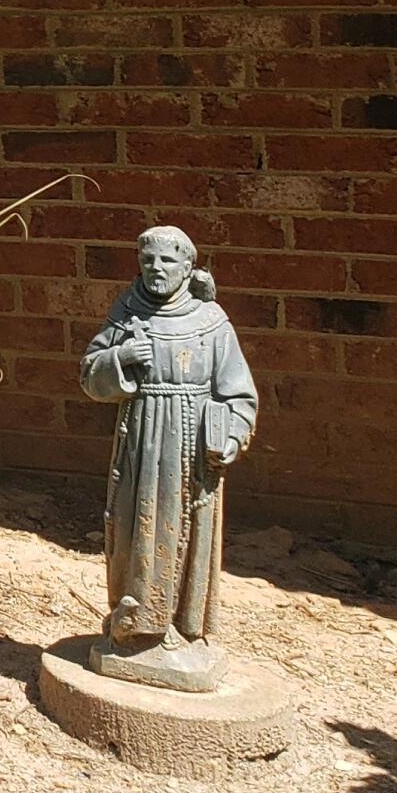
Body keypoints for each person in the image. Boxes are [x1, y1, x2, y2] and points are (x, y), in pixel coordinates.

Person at [79, 224, 257, 691]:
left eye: (168, 261)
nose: (156, 269)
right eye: (148, 261)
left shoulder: (212, 322)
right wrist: (120, 356)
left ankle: (181, 626)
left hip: (192, 450)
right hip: (140, 442)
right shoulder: (127, 313)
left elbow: (239, 394)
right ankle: (135, 624)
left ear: (188, 266)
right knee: (134, 526)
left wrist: (231, 436)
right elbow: (89, 374)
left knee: (189, 532)